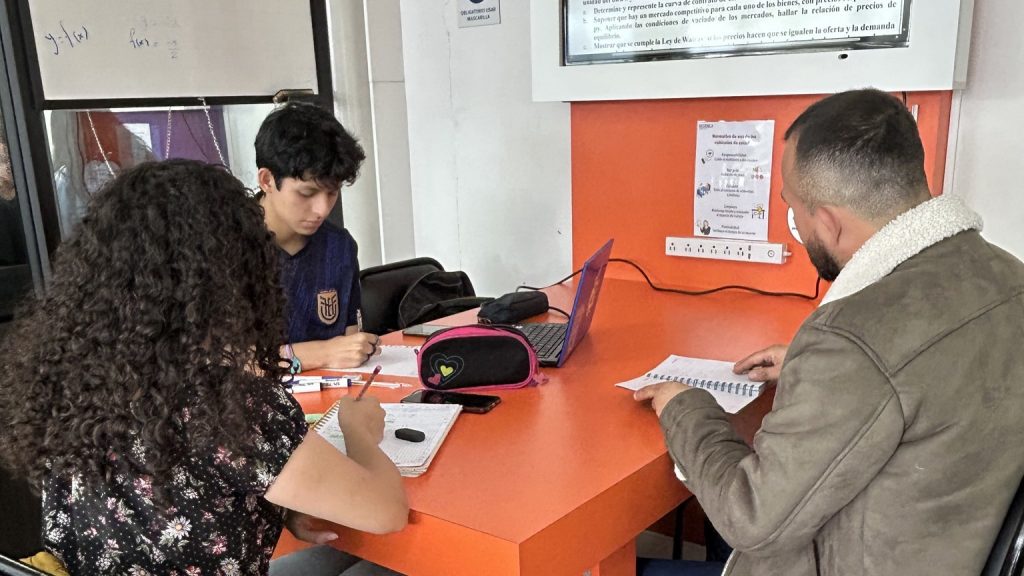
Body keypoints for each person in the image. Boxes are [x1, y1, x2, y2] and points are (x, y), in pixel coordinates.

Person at [635, 89, 1024, 576]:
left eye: (793, 211)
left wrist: (683, 406)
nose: (796, 227)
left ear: (828, 222)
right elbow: (923, 369)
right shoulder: (1007, 275)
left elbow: (751, 517)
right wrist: (812, 365)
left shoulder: (853, 340)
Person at [0, 160, 408, 575]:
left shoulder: (69, 377)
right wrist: (358, 432)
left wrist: (279, 507)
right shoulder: (224, 406)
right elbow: (387, 512)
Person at [254, 102, 379, 372]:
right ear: (267, 180)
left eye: (332, 192)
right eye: (307, 193)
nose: (322, 210)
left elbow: (350, 342)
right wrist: (322, 353)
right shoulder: (225, 247)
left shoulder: (339, 247)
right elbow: (221, 363)